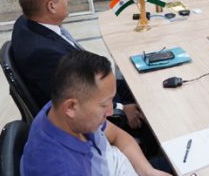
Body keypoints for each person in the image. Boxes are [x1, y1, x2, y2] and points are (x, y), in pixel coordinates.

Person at [11, 0, 146, 130]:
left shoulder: (25, 22)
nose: (67, 1)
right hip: (96, 112)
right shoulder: (44, 54)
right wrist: (121, 108)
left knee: (140, 83)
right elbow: (76, 102)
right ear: (51, 6)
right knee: (149, 100)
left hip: (91, 83)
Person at [21, 51, 172, 176]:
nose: (111, 112)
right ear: (71, 107)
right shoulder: (60, 168)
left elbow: (118, 136)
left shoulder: (63, 112)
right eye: (104, 104)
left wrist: (148, 172)